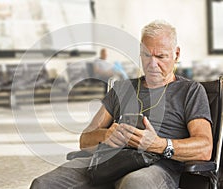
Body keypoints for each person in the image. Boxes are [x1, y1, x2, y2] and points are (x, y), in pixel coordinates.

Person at [30, 20, 213, 189]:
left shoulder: (190, 91)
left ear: (176, 54)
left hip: (158, 166)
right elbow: (85, 140)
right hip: (108, 162)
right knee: (42, 184)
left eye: (161, 56)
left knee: (134, 184)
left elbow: (204, 148)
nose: (152, 63)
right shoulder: (123, 89)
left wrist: (158, 145)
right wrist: (106, 135)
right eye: (146, 55)